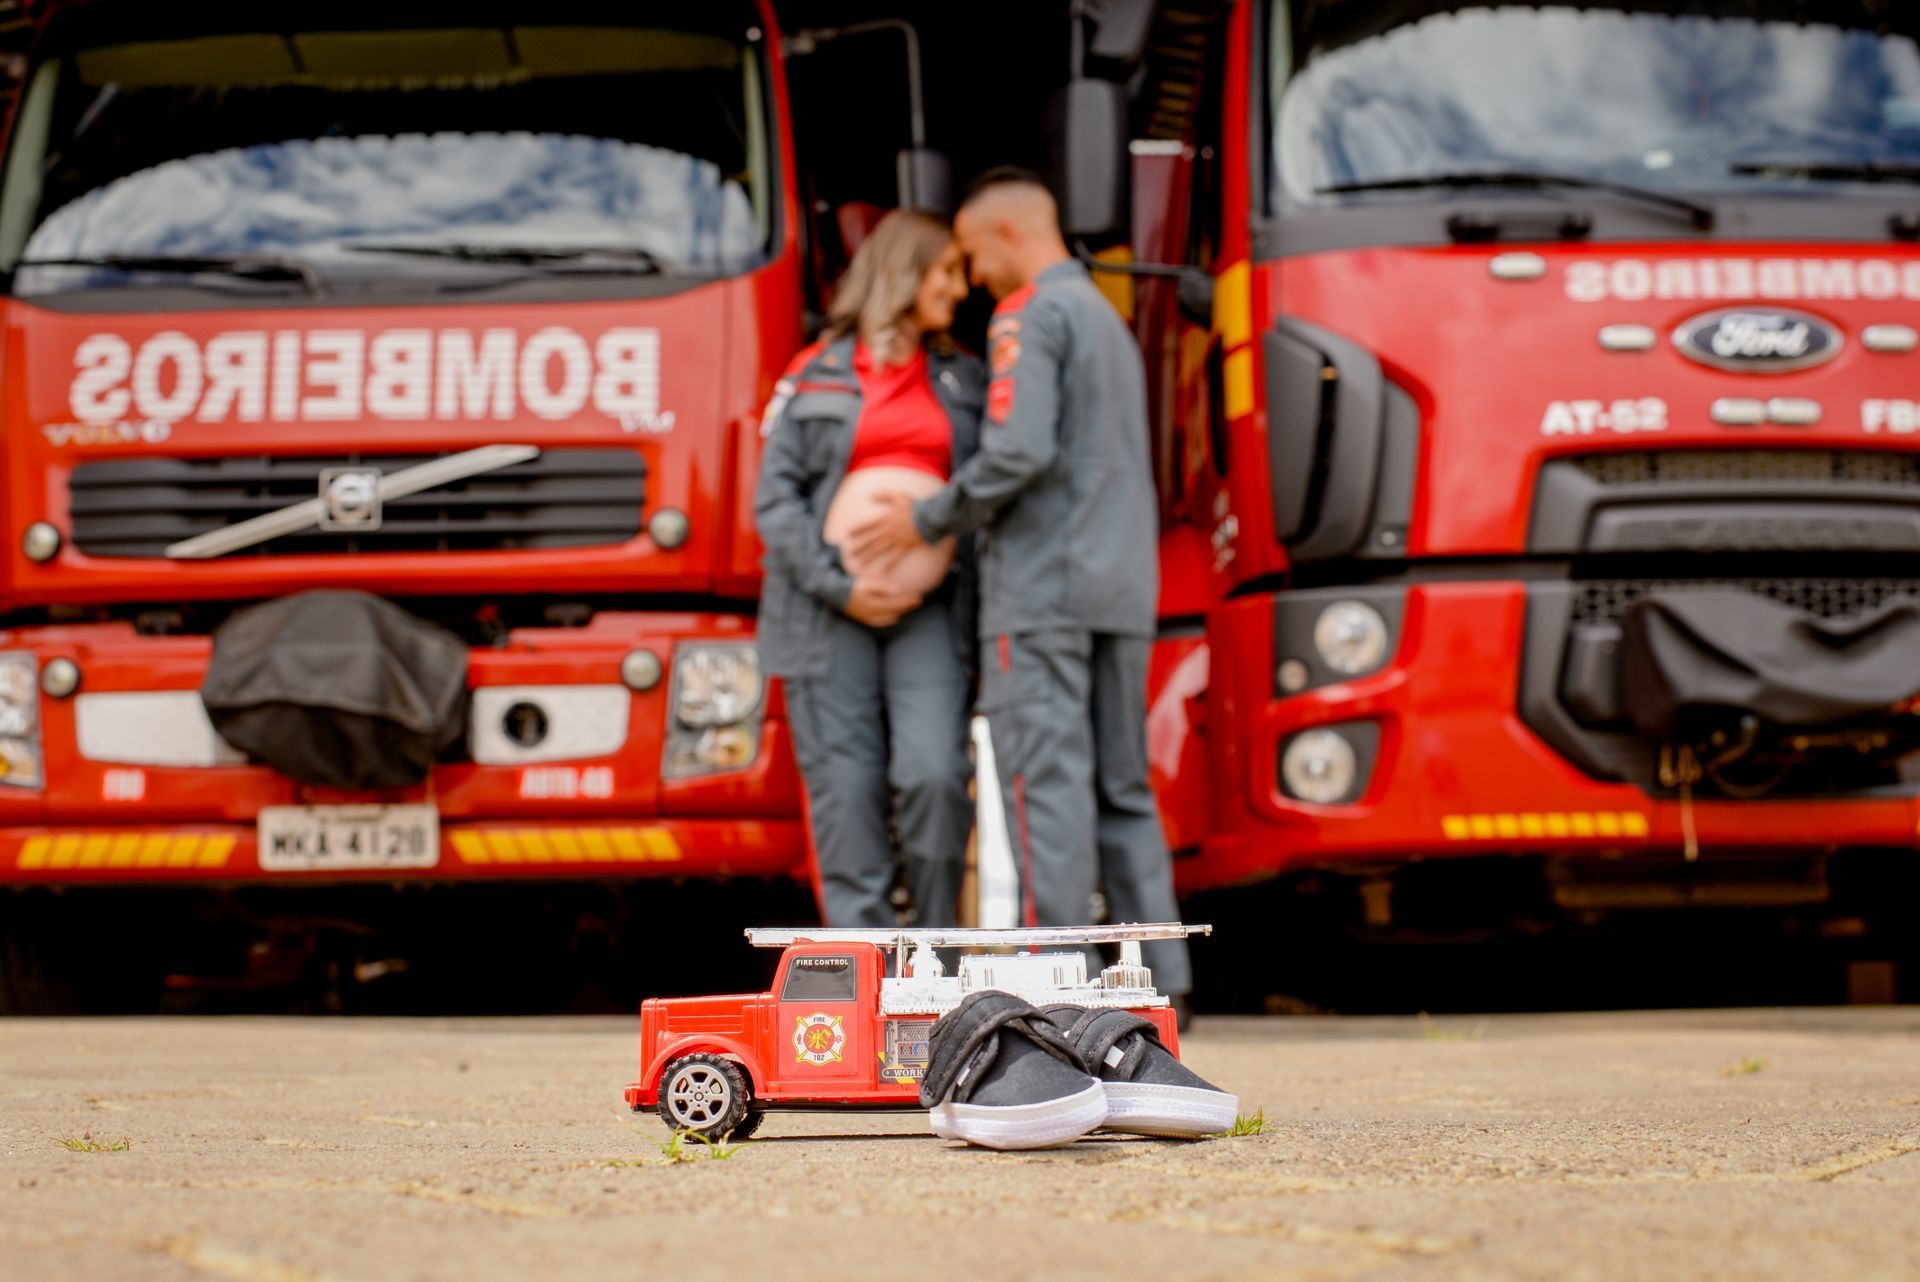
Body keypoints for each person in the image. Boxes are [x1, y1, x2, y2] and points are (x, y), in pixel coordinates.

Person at [850, 172, 1191, 996]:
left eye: (969, 254)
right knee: (1122, 787)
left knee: (1045, 790)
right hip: (1120, 587)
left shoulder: (1027, 316)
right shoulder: (1107, 319)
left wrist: (927, 518)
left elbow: (1017, 452)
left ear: (1007, 235)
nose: (969, 279)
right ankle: (1164, 983)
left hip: (1044, 593)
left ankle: (1059, 983)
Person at [754, 209, 984, 929]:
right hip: (828, 613)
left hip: (932, 611)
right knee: (845, 788)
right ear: (905, 272)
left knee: (935, 776)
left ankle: (935, 953)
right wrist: (842, 585)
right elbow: (772, 501)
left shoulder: (963, 377)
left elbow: (992, 485)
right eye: (946, 270)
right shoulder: (811, 374)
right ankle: (865, 962)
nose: (960, 286)